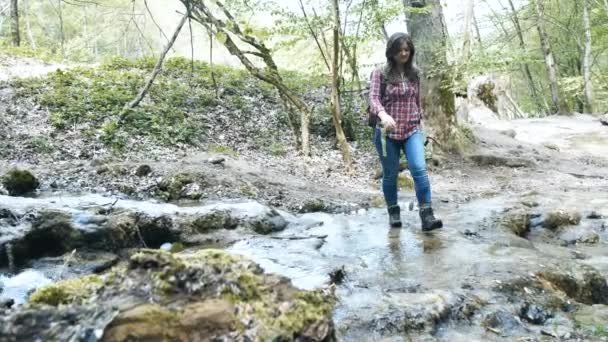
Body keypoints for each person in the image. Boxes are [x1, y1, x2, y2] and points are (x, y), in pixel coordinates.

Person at [368, 32, 443, 231]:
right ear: (391, 51)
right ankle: (393, 213)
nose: (404, 53)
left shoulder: (415, 73)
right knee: (390, 174)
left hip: (412, 129)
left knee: (419, 169)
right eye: (400, 50)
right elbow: (374, 99)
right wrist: (384, 116)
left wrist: (423, 126)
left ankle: (427, 215)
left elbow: (417, 101)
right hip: (387, 134)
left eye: (407, 50)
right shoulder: (380, 73)